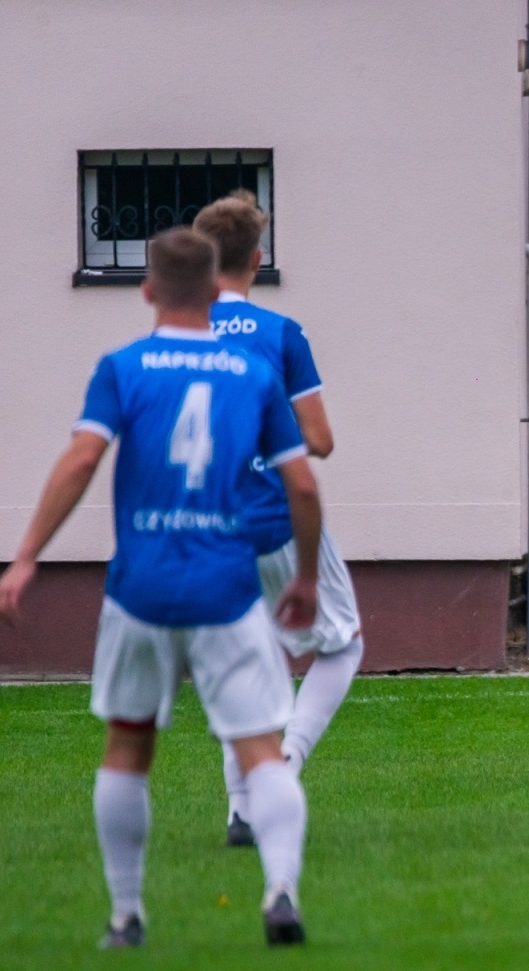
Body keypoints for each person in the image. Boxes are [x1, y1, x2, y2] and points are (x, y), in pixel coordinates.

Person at [0, 228, 321, 946]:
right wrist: (302, 577)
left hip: (139, 590)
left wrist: (25, 557)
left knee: (129, 746)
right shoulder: (252, 373)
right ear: (215, 290)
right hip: (227, 589)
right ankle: (280, 892)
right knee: (261, 748)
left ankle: (126, 916)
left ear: (147, 290)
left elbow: (82, 461)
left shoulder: (122, 367)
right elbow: (302, 485)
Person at [193, 192, 364, 845]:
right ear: (257, 259)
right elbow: (318, 440)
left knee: (243, 659)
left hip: (203, 527)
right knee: (342, 644)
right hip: (273, 514)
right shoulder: (280, 334)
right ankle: (281, 769)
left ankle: (240, 808)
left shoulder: (169, 338)